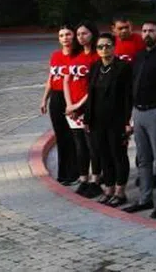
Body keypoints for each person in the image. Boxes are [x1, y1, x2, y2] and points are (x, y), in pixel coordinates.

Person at [125, 20, 156, 218]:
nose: (147, 34)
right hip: (138, 112)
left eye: (151, 31)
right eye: (144, 30)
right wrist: (130, 114)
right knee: (143, 159)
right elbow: (132, 85)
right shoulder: (138, 56)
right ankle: (145, 198)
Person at [84, 32, 133, 207]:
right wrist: (87, 119)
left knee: (118, 155)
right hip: (97, 121)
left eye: (107, 46)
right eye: (100, 46)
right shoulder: (95, 67)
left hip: (117, 120)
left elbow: (128, 96)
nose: (104, 49)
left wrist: (127, 121)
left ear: (114, 47)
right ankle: (109, 189)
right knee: (103, 155)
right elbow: (91, 95)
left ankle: (120, 192)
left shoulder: (123, 67)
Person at [64, 23, 101, 198]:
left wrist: (78, 105)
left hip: (89, 107)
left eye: (84, 33)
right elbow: (66, 81)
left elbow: (95, 86)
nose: (80, 37)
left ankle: (96, 180)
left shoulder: (97, 56)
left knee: (92, 145)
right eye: (78, 34)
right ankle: (83, 179)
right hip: (72, 109)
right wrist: (69, 104)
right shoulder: (75, 55)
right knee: (79, 146)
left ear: (92, 34)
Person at [42, 27, 79, 187]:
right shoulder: (55, 55)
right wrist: (44, 99)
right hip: (56, 98)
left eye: (68, 34)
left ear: (74, 36)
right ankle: (63, 173)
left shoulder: (78, 56)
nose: (65, 38)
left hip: (71, 97)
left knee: (73, 136)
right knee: (61, 136)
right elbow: (51, 78)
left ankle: (75, 173)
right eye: (61, 35)